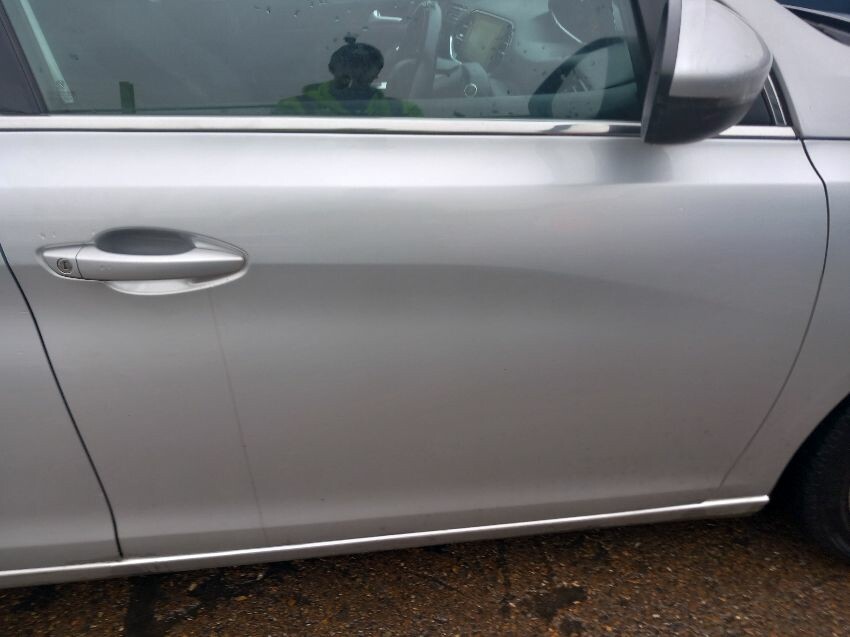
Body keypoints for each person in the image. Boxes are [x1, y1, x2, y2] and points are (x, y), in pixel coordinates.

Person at [274, 36, 422, 117]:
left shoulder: (404, 112)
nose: (355, 73)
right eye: (349, 64)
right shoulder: (293, 108)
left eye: (364, 67)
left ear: (376, 74)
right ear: (332, 68)